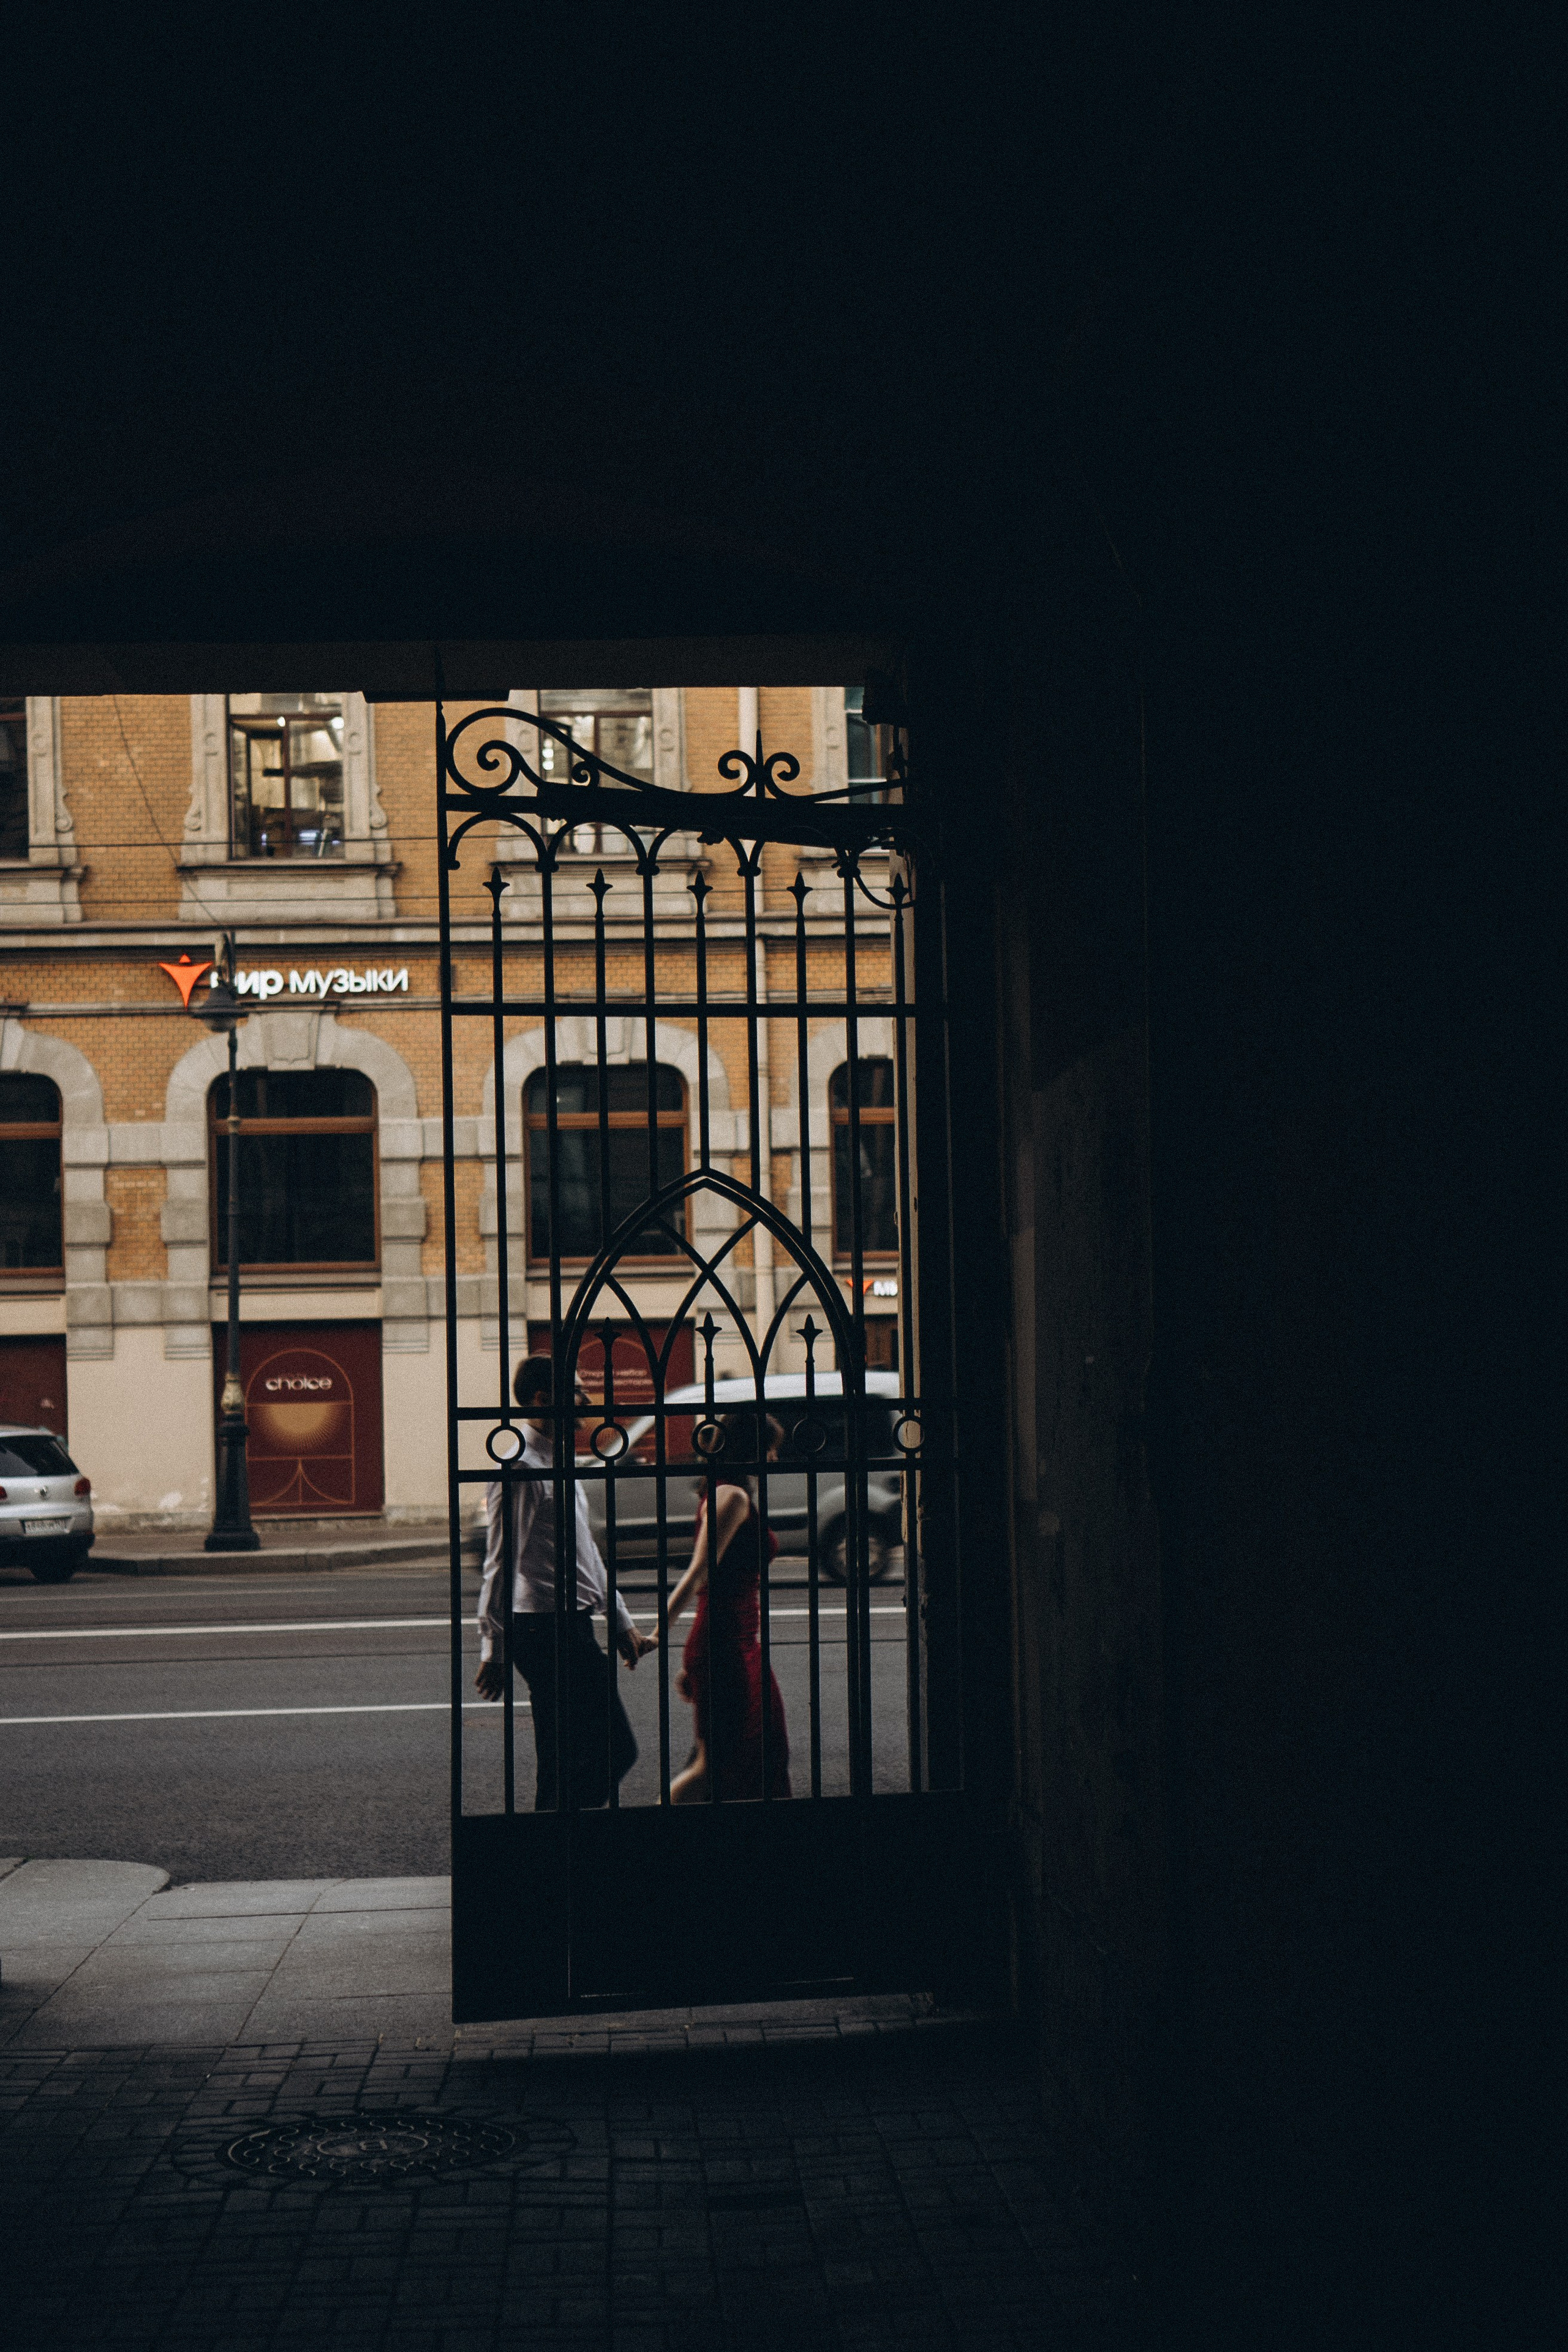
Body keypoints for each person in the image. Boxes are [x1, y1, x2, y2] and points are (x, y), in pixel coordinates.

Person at [473, 1355, 654, 1807]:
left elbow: (584, 1551)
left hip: (570, 1624)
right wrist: (493, 1648)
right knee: (610, 1751)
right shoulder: (522, 1467)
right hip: (542, 1631)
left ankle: (553, 1854)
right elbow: (499, 1561)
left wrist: (619, 1620)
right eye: (575, 1390)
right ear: (542, 1399)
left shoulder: (561, 1459)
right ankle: (567, 1846)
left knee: (563, 1759)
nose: (586, 1400)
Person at [663, 1409, 791, 1803]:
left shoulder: (727, 1489)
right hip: (725, 1647)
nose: (774, 1459)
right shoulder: (731, 1497)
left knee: (763, 1747)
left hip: (736, 1642)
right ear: (752, 1448)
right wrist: (657, 1635)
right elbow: (699, 1573)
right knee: (713, 1764)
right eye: (770, 1449)